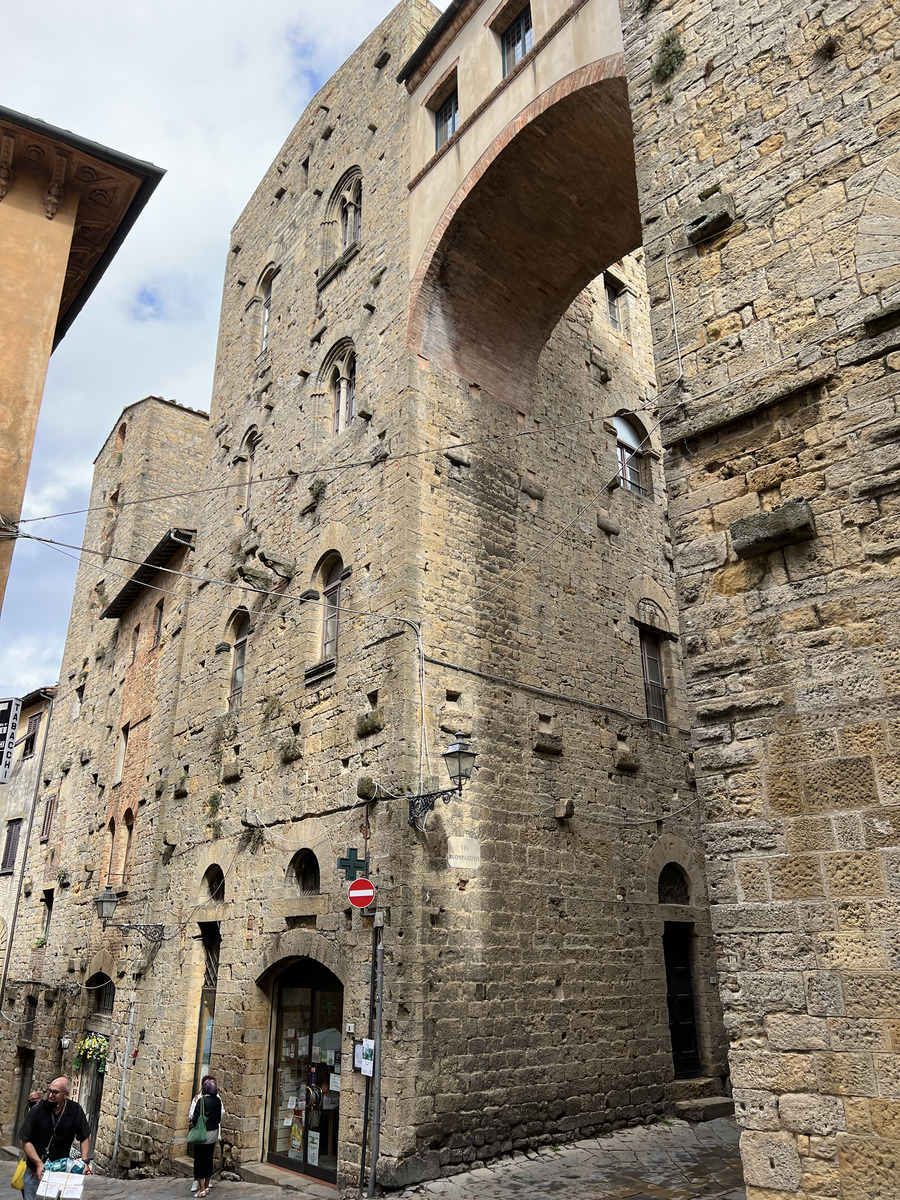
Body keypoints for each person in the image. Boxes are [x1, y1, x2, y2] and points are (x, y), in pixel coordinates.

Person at [19, 1078, 91, 1200]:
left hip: (59, 1169)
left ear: (66, 1094)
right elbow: (25, 1141)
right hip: (35, 1168)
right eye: (49, 1091)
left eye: (55, 1092)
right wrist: (38, 1163)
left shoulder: (75, 1110)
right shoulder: (37, 1110)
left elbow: (84, 1136)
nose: (51, 1095)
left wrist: (85, 1161)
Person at [188, 1077, 222, 1198]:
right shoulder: (218, 1101)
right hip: (213, 1133)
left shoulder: (201, 1101)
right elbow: (219, 1118)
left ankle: (201, 1189)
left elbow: (194, 1117)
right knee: (208, 1159)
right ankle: (207, 1186)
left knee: (199, 1160)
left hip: (203, 1134)